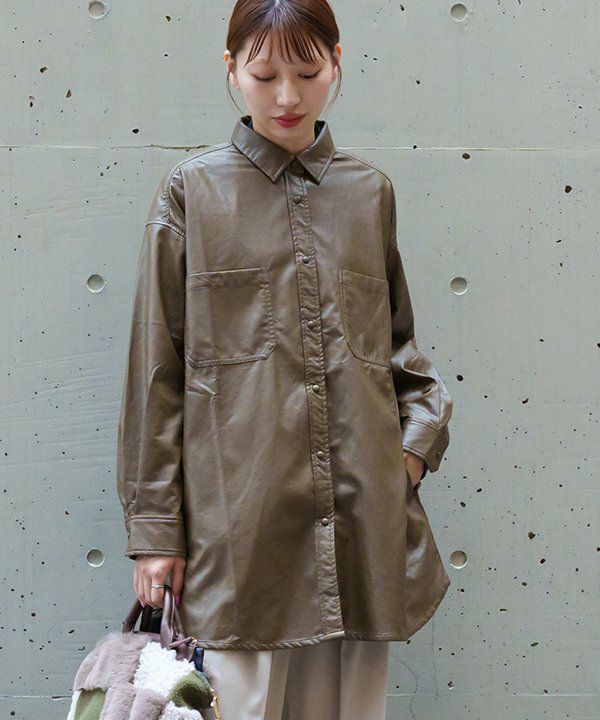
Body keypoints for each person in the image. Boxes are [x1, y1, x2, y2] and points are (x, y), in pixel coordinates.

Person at [116, 1, 454, 718]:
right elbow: (157, 374)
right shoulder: (191, 193)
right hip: (241, 540)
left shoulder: (368, 195)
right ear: (232, 70)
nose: (288, 97)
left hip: (360, 533)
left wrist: (408, 458)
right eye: (265, 75)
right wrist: (155, 533)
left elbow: (401, 354)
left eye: (307, 72)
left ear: (337, 62)